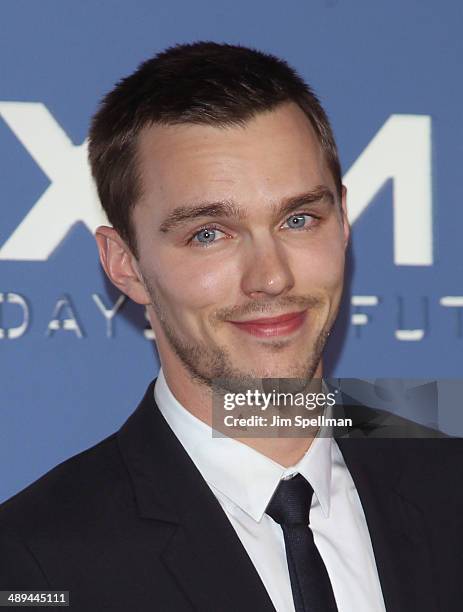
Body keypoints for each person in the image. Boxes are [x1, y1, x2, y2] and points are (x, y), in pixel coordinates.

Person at [0, 41, 462, 612]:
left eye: (299, 219)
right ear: (125, 264)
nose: (271, 278)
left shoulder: (450, 494)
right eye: (209, 233)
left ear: (343, 221)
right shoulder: (33, 562)